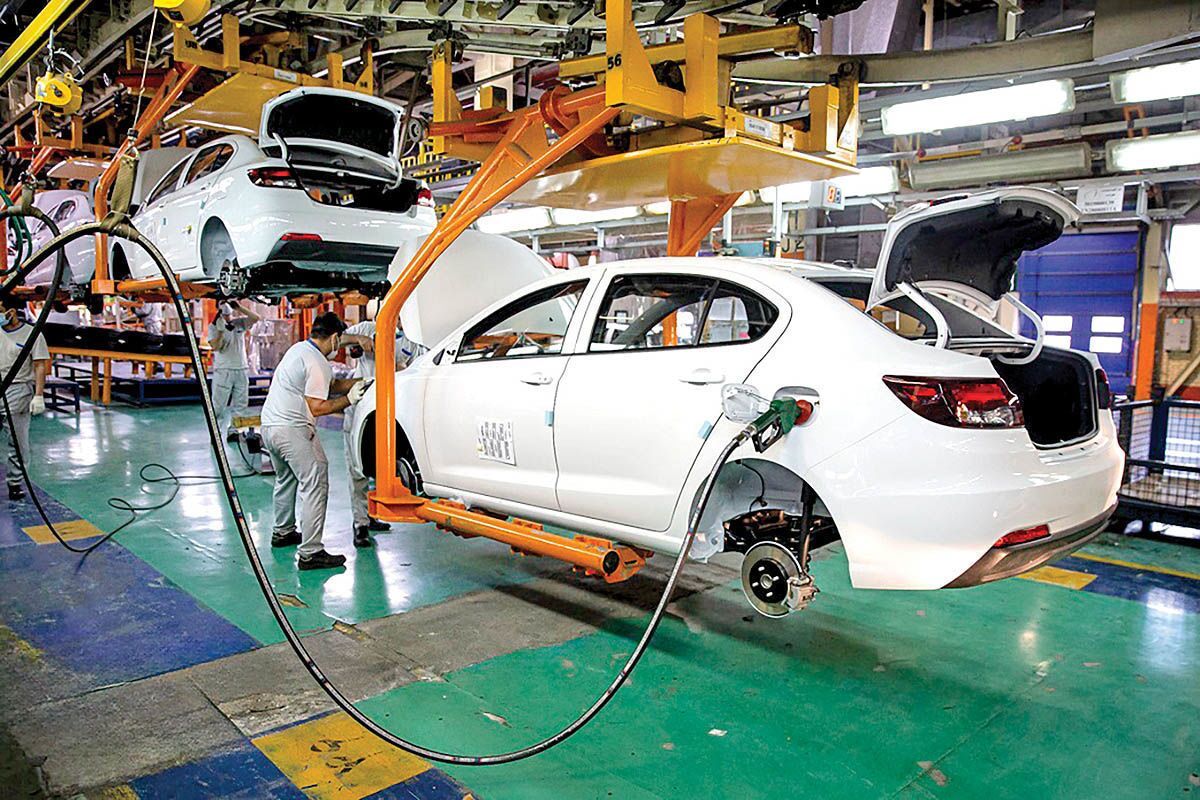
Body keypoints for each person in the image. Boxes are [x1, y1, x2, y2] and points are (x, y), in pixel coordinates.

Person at [260, 312, 370, 569]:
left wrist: (361, 382)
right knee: (315, 481)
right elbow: (318, 407)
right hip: (293, 430)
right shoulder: (317, 361)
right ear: (334, 338)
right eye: (339, 340)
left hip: (270, 426)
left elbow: (330, 384)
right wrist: (350, 399)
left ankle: (283, 532)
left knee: (286, 479)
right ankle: (311, 552)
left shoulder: (300, 350)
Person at [341, 314, 423, 547]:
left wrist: (401, 369)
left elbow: (418, 368)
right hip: (361, 406)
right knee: (357, 469)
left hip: (389, 409)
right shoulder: (367, 328)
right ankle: (360, 524)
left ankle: (371, 513)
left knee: (383, 467)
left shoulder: (410, 340)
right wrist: (359, 340)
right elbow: (339, 339)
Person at [0, 299, 50, 501]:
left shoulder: (32, 334)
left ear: (11, 312)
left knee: (17, 442)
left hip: (18, 388)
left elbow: (39, 365)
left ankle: (15, 482)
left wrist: (38, 395)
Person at [208, 301, 261, 442]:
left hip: (241, 369)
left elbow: (256, 318)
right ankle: (215, 434)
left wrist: (239, 307)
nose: (227, 316)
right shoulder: (213, 327)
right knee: (218, 406)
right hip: (223, 370)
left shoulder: (239, 323)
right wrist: (220, 331)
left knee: (241, 404)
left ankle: (234, 431)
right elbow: (215, 347)